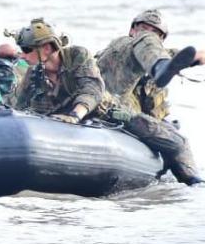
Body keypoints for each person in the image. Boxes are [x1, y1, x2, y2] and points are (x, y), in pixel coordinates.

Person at [14, 18, 201, 186]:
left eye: (26, 50)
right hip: (65, 115)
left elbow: (92, 90)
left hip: (108, 112)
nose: (22, 55)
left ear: (47, 48)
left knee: (176, 142)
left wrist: (75, 115)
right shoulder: (34, 74)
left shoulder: (77, 56)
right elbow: (18, 105)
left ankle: (193, 182)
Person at [96, 9, 204, 119]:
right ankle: (159, 66)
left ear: (161, 40)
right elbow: (146, 45)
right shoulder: (122, 44)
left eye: (155, 32)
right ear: (132, 30)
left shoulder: (153, 56)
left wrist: (195, 58)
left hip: (123, 109)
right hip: (98, 97)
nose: (147, 34)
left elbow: (175, 56)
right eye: (143, 28)